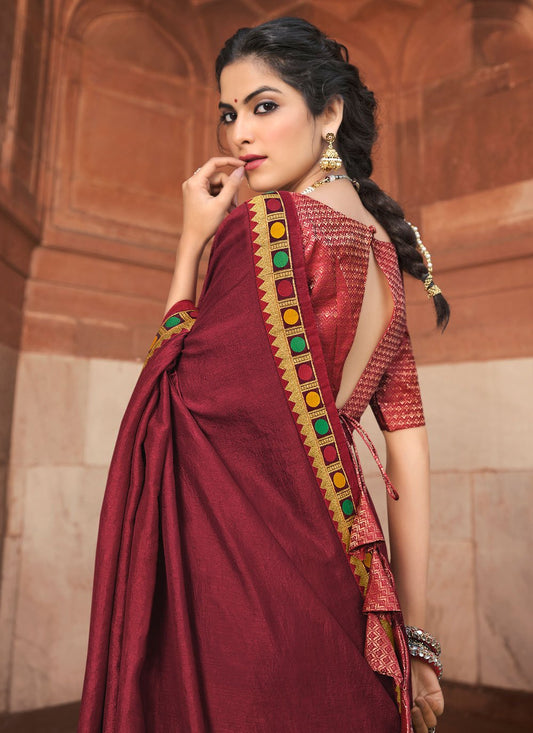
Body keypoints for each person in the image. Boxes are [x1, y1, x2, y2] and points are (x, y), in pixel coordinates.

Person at [78, 17, 449, 733]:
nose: (239, 134)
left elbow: (169, 408)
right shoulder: (386, 258)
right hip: (351, 592)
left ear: (328, 113)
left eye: (264, 105)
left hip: (255, 596)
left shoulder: (266, 228)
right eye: (228, 114)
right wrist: (414, 638)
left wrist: (191, 243)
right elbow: (408, 450)